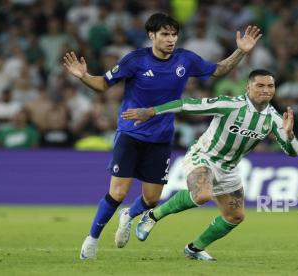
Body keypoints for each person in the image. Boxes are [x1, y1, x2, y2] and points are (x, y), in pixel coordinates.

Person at [62, 13, 262, 260]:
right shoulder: (135, 61)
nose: (171, 39)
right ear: (152, 36)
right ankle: (92, 240)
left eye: (174, 34)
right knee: (118, 192)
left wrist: (240, 51)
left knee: (152, 199)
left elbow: (219, 70)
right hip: (131, 132)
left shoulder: (185, 59)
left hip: (161, 138)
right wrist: (83, 76)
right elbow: (103, 84)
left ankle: (128, 215)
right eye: (165, 34)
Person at [121, 69, 298, 260]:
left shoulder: (274, 118)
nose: (266, 90)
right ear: (248, 87)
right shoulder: (229, 104)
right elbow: (186, 105)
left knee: (235, 216)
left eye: (270, 86)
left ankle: (194, 249)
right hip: (203, 156)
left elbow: (294, 152)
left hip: (228, 169)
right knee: (203, 194)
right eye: (260, 85)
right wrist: (151, 111)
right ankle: (152, 216)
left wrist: (289, 136)